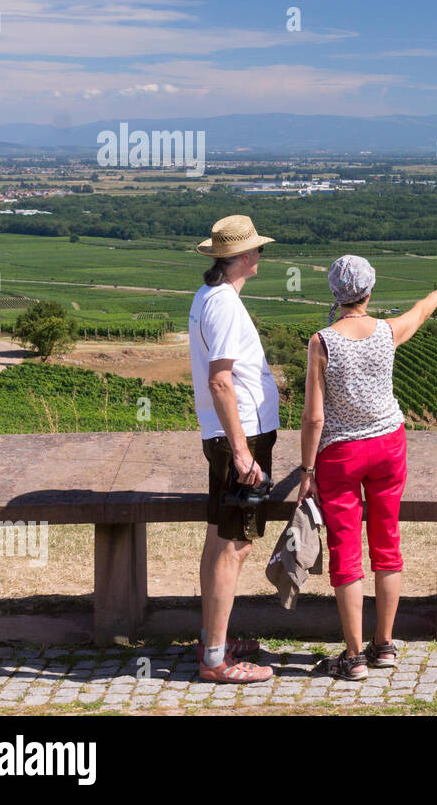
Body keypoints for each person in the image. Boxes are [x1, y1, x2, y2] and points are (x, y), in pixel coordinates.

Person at [298, 255, 437, 680]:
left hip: (340, 455)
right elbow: (419, 314)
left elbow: (313, 418)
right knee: (387, 540)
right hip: (389, 445)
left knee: (345, 549)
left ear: (335, 292)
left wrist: (306, 471)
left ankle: (353, 657)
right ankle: (384, 645)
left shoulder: (322, 341)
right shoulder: (386, 332)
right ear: (369, 291)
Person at [188, 215, 280, 684]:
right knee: (235, 545)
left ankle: (212, 639)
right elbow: (221, 378)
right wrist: (244, 453)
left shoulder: (209, 296)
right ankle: (216, 661)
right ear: (244, 258)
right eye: (257, 250)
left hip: (224, 434)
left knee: (218, 540)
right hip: (239, 436)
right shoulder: (224, 304)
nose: (261, 256)